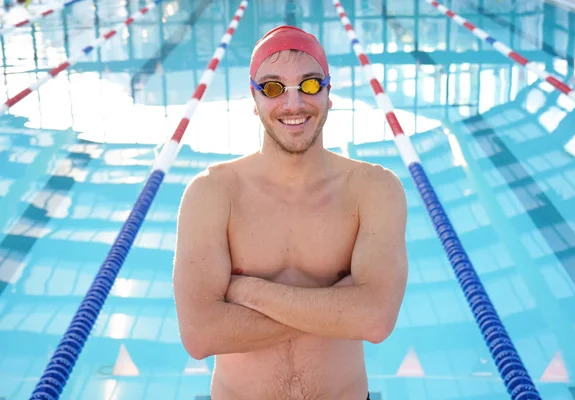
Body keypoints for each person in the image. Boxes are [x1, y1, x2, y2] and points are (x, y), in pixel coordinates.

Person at [173, 25, 408, 400]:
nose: (294, 103)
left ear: (330, 93)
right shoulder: (213, 193)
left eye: (311, 84)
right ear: (254, 99)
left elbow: (376, 319)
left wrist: (246, 291)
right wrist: (338, 305)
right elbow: (200, 335)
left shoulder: (373, 189)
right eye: (272, 87)